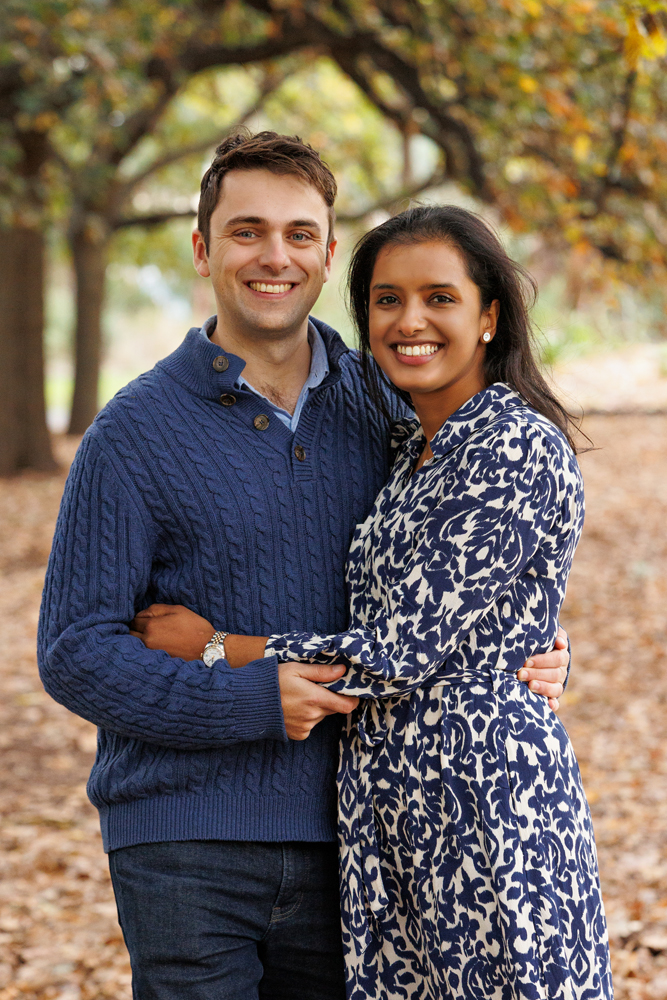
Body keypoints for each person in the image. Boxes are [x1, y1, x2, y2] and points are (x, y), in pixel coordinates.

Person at [38, 132, 570, 999]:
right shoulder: (130, 434)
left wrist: (530, 646)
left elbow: (453, 563)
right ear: (205, 249)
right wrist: (249, 693)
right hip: (184, 839)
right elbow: (75, 653)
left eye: (297, 234)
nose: (272, 256)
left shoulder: (387, 404)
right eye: (246, 232)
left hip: (361, 835)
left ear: (327, 256)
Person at [141, 205, 612, 999]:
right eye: (387, 300)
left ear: (489, 316)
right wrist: (528, 641)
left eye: (439, 297)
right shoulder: (409, 446)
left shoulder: (514, 445)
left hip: (483, 803)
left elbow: (399, 649)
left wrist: (221, 646)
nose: (409, 320)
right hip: (385, 808)